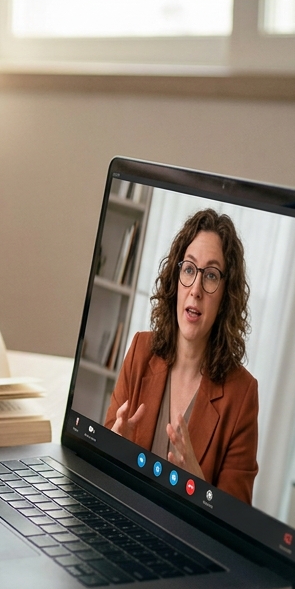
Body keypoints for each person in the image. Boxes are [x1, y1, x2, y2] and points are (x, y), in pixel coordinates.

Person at [104, 208, 259, 504]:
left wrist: (198, 485)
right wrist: (112, 446)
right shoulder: (139, 351)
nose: (196, 289)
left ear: (226, 296)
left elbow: (236, 524)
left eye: (211, 276)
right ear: (176, 279)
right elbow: (102, 466)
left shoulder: (242, 395)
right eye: (189, 269)